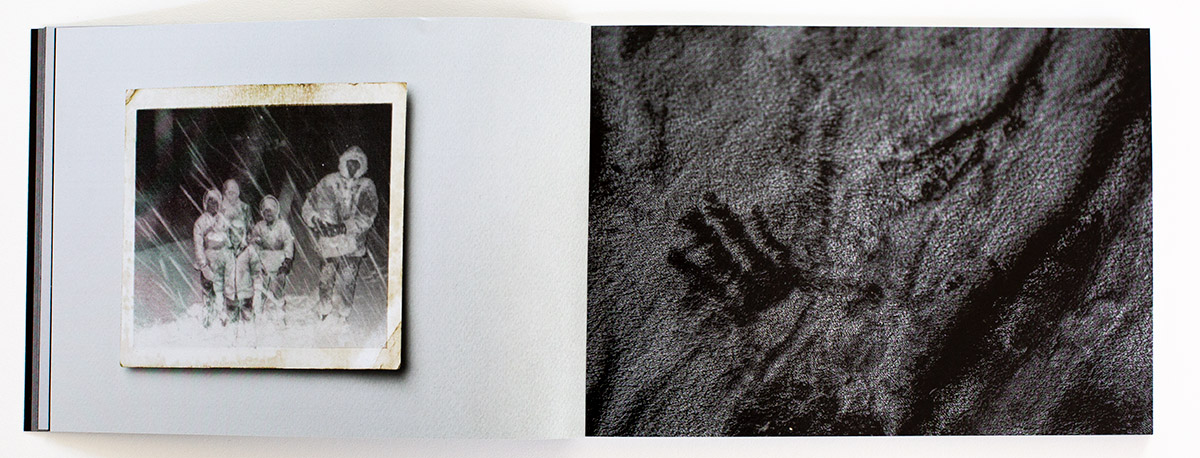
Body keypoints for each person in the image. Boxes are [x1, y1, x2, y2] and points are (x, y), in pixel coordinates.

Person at [301, 146, 379, 325]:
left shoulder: (366, 186)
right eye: (350, 163)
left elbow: (368, 216)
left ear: (362, 166)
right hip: (329, 243)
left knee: (347, 280)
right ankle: (324, 310)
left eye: (356, 164)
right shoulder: (329, 182)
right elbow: (309, 205)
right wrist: (316, 220)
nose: (352, 167)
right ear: (343, 162)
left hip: (353, 245)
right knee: (326, 277)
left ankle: (343, 314)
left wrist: (344, 228)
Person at [249, 195, 295, 319]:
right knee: (259, 288)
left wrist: (286, 262)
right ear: (262, 213)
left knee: (277, 288)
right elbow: (254, 244)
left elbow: (288, 243)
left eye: (271, 211)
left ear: (276, 211)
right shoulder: (259, 227)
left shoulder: (283, 226)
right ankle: (257, 312)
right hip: (263, 261)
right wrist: (257, 262)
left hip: (279, 261)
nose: (269, 214)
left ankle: (279, 312)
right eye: (266, 211)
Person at [192, 189, 232, 328]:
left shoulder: (224, 219)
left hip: (223, 260)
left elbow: (230, 238)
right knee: (209, 290)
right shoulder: (200, 222)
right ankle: (209, 318)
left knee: (223, 289)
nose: (213, 204)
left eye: (216, 202)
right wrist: (203, 265)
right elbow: (198, 245)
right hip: (208, 261)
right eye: (210, 201)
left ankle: (223, 316)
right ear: (205, 203)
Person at [220, 178, 255, 323]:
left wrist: (248, 244)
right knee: (228, 282)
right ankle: (229, 311)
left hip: (242, 248)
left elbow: (251, 228)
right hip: (226, 249)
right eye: (230, 192)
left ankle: (246, 309)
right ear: (225, 193)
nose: (233, 194)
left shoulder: (245, 208)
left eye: (235, 191)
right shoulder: (220, 209)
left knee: (244, 280)